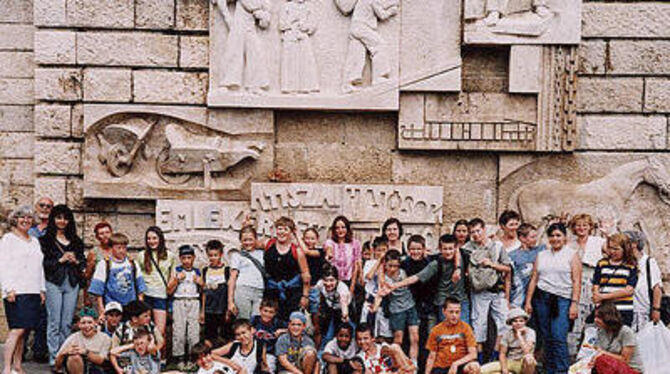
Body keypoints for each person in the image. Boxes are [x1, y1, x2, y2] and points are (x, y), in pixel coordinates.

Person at [524, 223, 581, 374]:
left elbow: (577, 281)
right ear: (548, 238)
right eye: (552, 236)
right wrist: (528, 301)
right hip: (542, 298)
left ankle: (562, 370)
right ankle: (549, 370)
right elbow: (534, 279)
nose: (555, 239)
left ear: (564, 238)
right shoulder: (542, 255)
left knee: (558, 336)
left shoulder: (572, 255)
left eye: (558, 235)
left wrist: (574, 304)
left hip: (562, 300)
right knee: (546, 336)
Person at [387, 234, 469, 330]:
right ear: (440, 249)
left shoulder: (463, 256)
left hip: (461, 300)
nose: (448, 252)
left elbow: (460, 251)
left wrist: (458, 268)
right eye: (445, 249)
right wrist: (395, 285)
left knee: (465, 331)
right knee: (447, 333)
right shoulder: (435, 263)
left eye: (451, 249)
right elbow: (416, 277)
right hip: (443, 301)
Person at [0, 205, 46, 374]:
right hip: (16, 291)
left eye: (29, 218)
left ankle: (18, 366)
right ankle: (6, 368)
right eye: (22, 217)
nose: (26, 221)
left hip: (33, 290)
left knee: (24, 330)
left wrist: (41, 289)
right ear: (15, 219)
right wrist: (8, 289)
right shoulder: (8, 239)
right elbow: (3, 266)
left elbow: (39, 267)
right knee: (16, 329)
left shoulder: (34, 241)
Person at [40, 204, 86, 367]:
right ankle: (54, 358)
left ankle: (64, 355)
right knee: (54, 322)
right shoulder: (45, 240)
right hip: (53, 282)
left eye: (65, 218)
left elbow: (83, 263)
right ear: (53, 219)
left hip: (71, 283)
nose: (62, 221)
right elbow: (42, 264)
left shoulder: (76, 240)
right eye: (59, 217)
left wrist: (76, 260)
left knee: (67, 322)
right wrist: (60, 260)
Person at [462, 218, 511, 361]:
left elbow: (508, 269)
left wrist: (492, 265)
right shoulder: (467, 249)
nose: (476, 234)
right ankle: (479, 358)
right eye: (472, 232)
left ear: (484, 229)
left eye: (478, 230)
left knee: (504, 322)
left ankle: (496, 355)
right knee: (479, 324)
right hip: (478, 291)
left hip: (497, 290)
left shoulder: (497, 246)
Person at [376, 249, 419, 367]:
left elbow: (412, 255)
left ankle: (414, 364)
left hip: (410, 306)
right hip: (396, 309)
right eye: (390, 266)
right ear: (385, 264)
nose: (393, 268)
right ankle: (396, 364)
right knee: (398, 339)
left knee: (415, 337)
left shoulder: (403, 270)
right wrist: (381, 261)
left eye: (396, 266)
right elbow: (380, 280)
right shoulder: (383, 277)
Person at [264, 216, 311, 322]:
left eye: (285, 229)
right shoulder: (268, 244)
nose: (282, 232)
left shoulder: (297, 251)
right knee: (270, 321)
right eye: (279, 228)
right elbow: (250, 244)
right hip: (272, 292)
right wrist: (247, 226)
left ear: (291, 232)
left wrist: (305, 296)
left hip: (292, 293)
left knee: (290, 321)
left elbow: (306, 274)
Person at [88, 233, 147, 316]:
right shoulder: (105, 264)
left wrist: (140, 304)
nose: (122, 251)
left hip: (131, 304)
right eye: (118, 248)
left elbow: (140, 285)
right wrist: (101, 308)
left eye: (124, 248)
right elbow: (98, 289)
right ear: (111, 248)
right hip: (111, 305)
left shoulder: (132, 263)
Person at [569, 213, 607, 334]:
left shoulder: (598, 241)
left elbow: (613, 250)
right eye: (578, 225)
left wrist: (607, 233)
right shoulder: (570, 244)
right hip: (575, 281)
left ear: (590, 227)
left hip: (594, 279)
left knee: (594, 312)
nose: (581, 228)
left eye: (585, 225)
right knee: (577, 314)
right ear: (574, 227)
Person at [168, 245, 203, 368]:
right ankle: (180, 357)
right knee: (179, 331)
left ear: (193, 258)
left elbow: (203, 289)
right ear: (180, 258)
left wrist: (200, 282)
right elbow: (169, 290)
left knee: (193, 332)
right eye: (184, 258)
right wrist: (176, 280)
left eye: (189, 257)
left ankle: (193, 357)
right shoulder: (176, 271)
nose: (187, 261)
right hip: (179, 301)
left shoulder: (197, 271)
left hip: (194, 301)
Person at [26, 197, 52, 363]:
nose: (45, 208)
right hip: (28, 277)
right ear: (36, 207)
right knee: (26, 316)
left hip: (48, 276)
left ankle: (40, 351)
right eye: (42, 205)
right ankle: (20, 352)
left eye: (49, 206)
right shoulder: (28, 229)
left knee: (44, 316)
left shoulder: (54, 229)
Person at [425, 297, 480, 374]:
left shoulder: (466, 328)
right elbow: (431, 357)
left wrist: (456, 364)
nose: (454, 315)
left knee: (475, 366)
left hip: (460, 365)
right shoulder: (435, 330)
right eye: (451, 312)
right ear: (444, 311)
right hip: (441, 367)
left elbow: (473, 354)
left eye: (457, 312)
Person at [592, 233, 638, 326]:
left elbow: (628, 290)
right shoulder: (602, 263)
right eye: (610, 248)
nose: (612, 251)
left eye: (616, 249)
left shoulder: (631, 266)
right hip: (605, 309)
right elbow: (596, 283)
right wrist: (597, 298)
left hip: (623, 309)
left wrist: (604, 297)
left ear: (624, 250)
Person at [139, 226, 176, 339]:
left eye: (154, 238)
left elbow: (172, 276)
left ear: (160, 239)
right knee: (144, 331)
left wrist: (171, 289)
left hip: (160, 296)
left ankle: (160, 356)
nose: (151, 241)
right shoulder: (141, 255)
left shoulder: (170, 256)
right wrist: (140, 297)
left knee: (160, 332)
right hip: (146, 295)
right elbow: (138, 277)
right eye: (149, 239)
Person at [588, 302, 644, 373]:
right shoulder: (601, 332)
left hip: (631, 369)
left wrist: (604, 353)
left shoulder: (626, 332)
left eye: (599, 317)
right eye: (595, 317)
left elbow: (625, 360)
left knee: (602, 360)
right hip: (611, 368)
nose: (595, 320)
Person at [625, 230, 664, 331]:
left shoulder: (648, 262)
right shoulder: (624, 262)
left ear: (634, 244)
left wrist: (656, 309)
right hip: (627, 310)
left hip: (643, 311)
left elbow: (657, 287)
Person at [54, 308, 111, 374]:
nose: (87, 326)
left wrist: (86, 352)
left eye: (90, 322)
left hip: (98, 369)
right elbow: (57, 365)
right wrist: (64, 353)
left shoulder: (105, 338)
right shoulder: (73, 337)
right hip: (77, 368)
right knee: (74, 357)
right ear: (79, 324)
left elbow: (102, 361)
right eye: (83, 323)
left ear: (95, 323)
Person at [481, 308, 536, 374]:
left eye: (521, 321)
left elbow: (527, 351)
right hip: (511, 361)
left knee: (529, 358)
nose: (518, 323)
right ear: (511, 323)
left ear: (525, 322)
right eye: (515, 321)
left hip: (524, 363)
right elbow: (502, 354)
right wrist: (505, 370)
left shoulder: (530, 332)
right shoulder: (507, 334)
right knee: (483, 370)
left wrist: (519, 336)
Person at [228, 226, 266, 320]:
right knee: (243, 321)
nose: (248, 242)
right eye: (245, 240)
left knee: (257, 321)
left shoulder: (262, 253)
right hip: (243, 290)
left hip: (260, 291)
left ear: (255, 239)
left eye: (250, 239)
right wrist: (230, 301)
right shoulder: (237, 256)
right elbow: (232, 279)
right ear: (240, 241)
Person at [360, 236, 391, 341]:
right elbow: (368, 277)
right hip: (370, 300)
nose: (381, 253)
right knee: (368, 330)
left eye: (384, 250)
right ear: (374, 251)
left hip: (384, 302)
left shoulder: (390, 265)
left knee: (383, 333)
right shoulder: (369, 263)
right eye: (379, 250)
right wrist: (378, 262)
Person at [314, 263, 352, 348]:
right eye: (326, 280)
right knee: (325, 332)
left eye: (331, 280)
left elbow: (343, 302)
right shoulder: (320, 284)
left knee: (342, 333)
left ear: (337, 280)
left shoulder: (342, 289)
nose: (328, 283)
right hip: (329, 307)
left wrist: (345, 314)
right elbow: (315, 293)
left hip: (343, 310)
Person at [508, 224, 545, 308]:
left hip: (539, 294)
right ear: (522, 238)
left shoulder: (542, 249)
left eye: (536, 236)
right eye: (532, 237)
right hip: (520, 295)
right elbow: (509, 279)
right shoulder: (512, 255)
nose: (535, 240)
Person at [324, 216, 361, 299]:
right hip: (334, 282)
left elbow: (356, 265)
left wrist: (352, 286)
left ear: (347, 228)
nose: (340, 230)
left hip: (349, 280)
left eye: (343, 227)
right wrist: (329, 254)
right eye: (337, 228)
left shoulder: (355, 243)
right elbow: (328, 249)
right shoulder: (330, 242)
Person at [201, 239, 229, 345]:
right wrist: (202, 311)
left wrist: (228, 311)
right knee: (209, 336)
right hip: (209, 310)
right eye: (210, 255)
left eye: (215, 255)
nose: (213, 258)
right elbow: (204, 292)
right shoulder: (205, 270)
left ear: (221, 255)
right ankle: (209, 356)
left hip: (222, 309)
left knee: (224, 335)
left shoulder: (227, 271)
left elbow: (229, 291)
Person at [251, 298, 286, 373]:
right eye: (265, 311)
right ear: (260, 310)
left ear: (275, 313)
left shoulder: (277, 323)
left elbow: (293, 328)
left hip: (269, 353)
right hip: (253, 351)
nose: (267, 314)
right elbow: (242, 327)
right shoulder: (255, 320)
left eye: (271, 312)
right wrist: (249, 329)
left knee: (268, 369)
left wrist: (283, 330)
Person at [84, 221, 113, 307]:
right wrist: (86, 297)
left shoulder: (117, 250)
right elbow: (87, 277)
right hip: (98, 292)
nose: (105, 235)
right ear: (97, 237)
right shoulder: (94, 252)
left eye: (107, 232)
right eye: (101, 233)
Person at [302, 227, 325, 336]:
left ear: (317, 240)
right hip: (301, 290)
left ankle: (317, 348)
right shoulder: (299, 253)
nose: (309, 241)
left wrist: (295, 233)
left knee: (316, 321)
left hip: (314, 289)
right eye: (306, 238)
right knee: (301, 321)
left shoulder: (320, 252)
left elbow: (307, 251)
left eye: (312, 238)